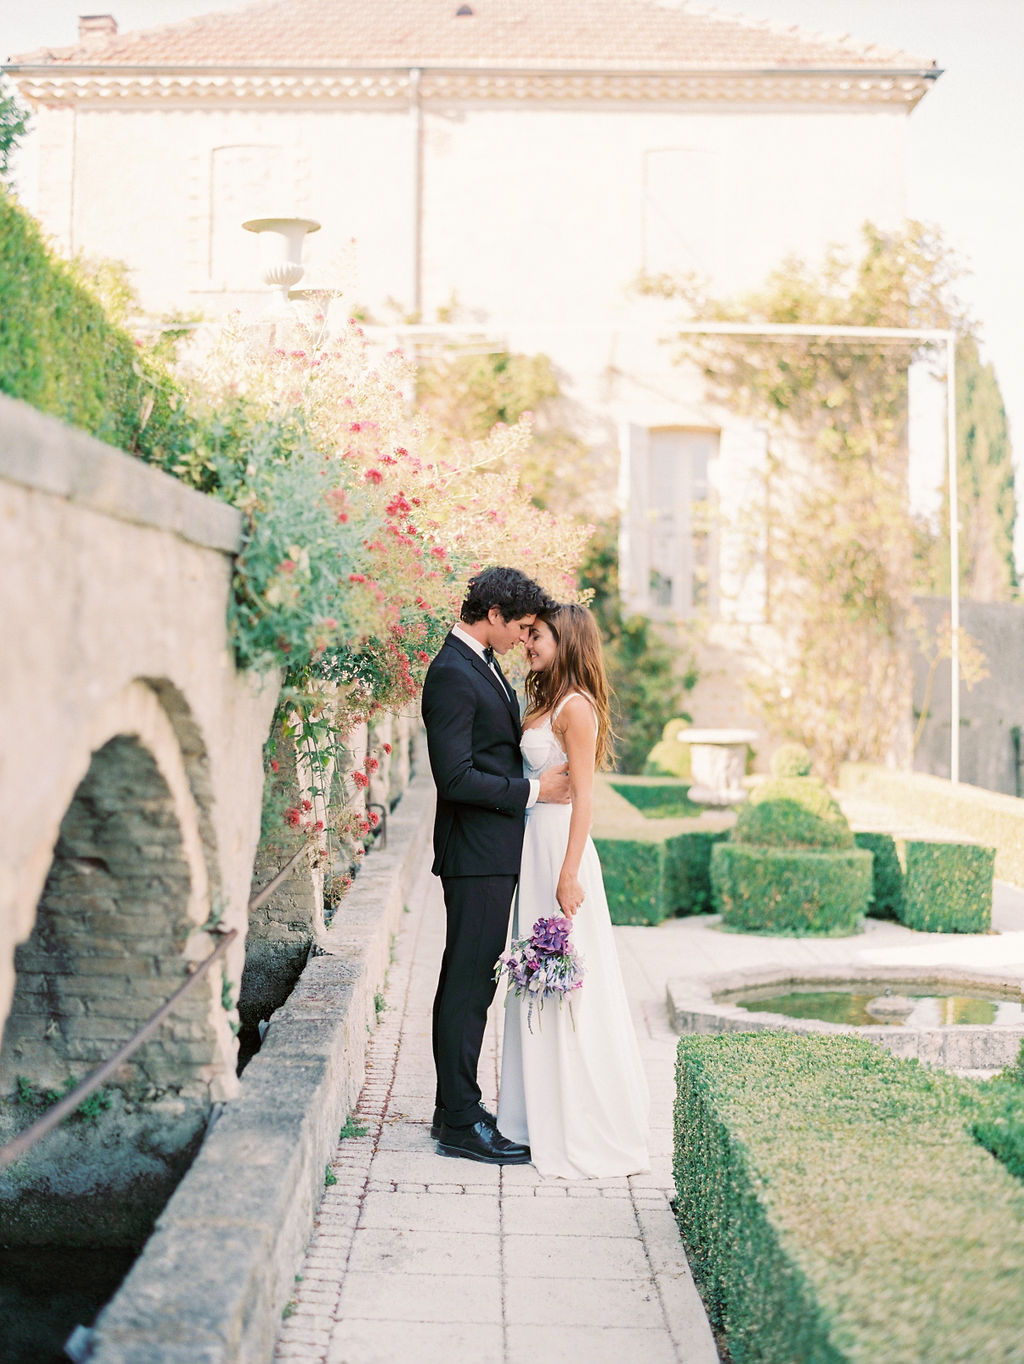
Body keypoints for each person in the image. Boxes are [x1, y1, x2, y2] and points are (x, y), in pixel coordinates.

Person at [421, 566, 571, 1164]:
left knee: (474, 981)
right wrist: (536, 794)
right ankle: (458, 1121)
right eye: (520, 627)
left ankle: (453, 1107)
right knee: (465, 984)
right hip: (474, 854)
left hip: (493, 852)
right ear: (492, 616)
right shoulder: (452, 674)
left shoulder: (480, 665)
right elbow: (454, 777)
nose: (522, 639)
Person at [496, 602, 650, 1179]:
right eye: (528, 635)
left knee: (565, 979)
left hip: (561, 852)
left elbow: (585, 796)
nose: (528, 644)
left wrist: (568, 873)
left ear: (568, 642)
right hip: (534, 848)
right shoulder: (543, 702)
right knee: (533, 976)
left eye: (537, 637)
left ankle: (577, 1121)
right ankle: (534, 1118)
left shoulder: (575, 707)